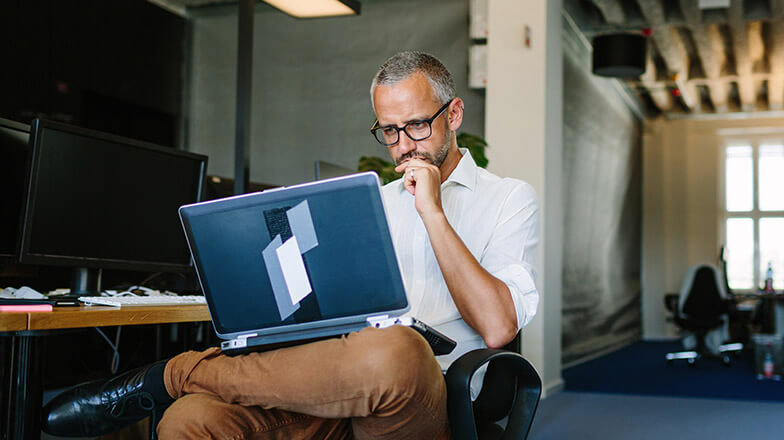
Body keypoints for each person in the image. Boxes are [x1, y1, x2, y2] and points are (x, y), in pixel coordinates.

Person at [42, 51, 541, 439]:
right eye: (390, 131)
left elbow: (498, 327)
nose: (405, 145)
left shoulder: (508, 199)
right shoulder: (371, 201)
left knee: (398, 350)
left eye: (417, 124)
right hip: (335, 384)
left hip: (431, 397)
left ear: (453, 115)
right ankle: (181, 386)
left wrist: (432, 211)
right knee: (190, 421)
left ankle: (172, 373)